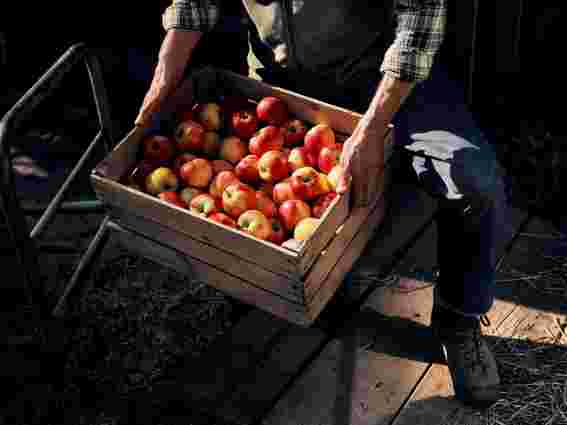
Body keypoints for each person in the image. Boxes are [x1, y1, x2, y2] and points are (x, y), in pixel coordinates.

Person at [135, 0, 508, 408]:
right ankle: (307, 284)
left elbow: (418, 25)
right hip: (280, 80)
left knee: (475, 183)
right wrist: (162, 81)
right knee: (272, 201)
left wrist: (372, 125)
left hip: (384, 72)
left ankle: (459, 318)